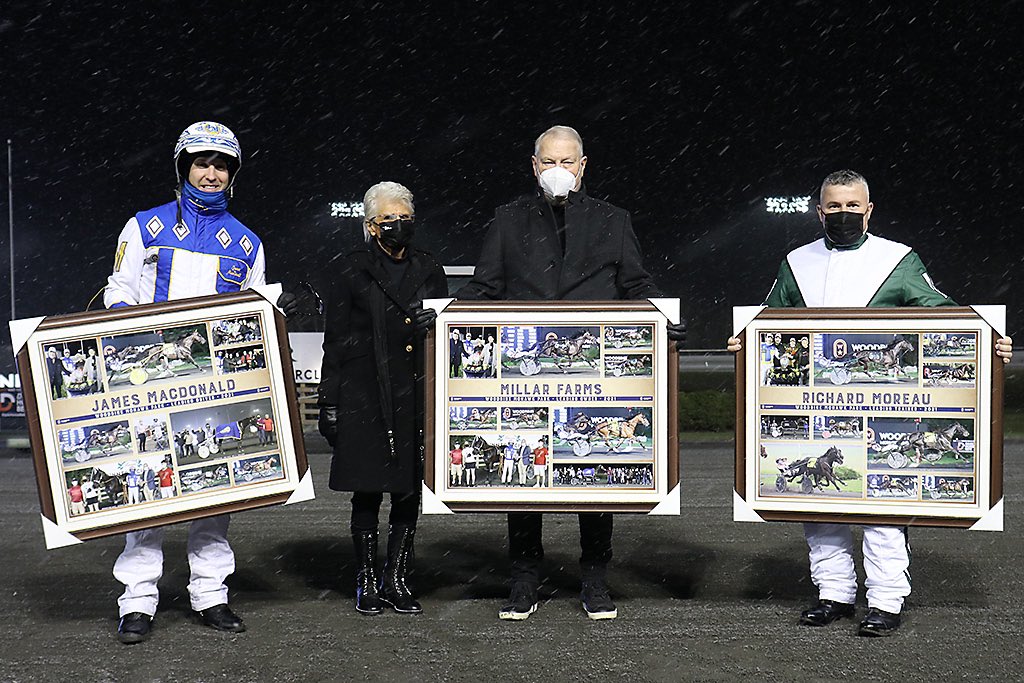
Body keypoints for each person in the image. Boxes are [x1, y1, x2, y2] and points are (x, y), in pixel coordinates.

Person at [727, 169, 1013, 637]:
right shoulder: (796, 260)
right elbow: (769, 320)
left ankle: (885, 600)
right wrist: (744, 341)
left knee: (883, 507)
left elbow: (942, 312)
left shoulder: (897, 258)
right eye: (834, 207)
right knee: (821, 507)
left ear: (869, 209)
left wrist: (989, 339)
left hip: (881, 406)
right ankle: (833, 594)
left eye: (852, 206)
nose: (843, 214)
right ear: (819, 211)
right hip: (814, 404)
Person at [456, 125, 687, 621]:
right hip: (523, 377)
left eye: (568, 161)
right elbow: (484, 288)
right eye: (548, 161)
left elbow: (636, 285)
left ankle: (595, 578)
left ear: (582, 167)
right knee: (524, 480)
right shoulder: (507, 219)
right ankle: (523, 580)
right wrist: (446, 317)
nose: (558, 170)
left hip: (595, 375)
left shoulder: (614, 220)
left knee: (594, 477)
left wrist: (664, 320)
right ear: (534, 166)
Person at [103, 121, 295, 644]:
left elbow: (253, 315)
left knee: (215, 492)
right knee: (147, 494)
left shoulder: (248, 241)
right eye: (201, 163)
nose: (210, 173)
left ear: (232, 175)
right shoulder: (144, 225)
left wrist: (275, 313)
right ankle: (137, 600)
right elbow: (118, 290)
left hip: (217, 391)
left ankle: (210, 594)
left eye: (221, 165)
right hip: (147, 385)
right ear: (183, 167)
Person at [317, 181, 446, 615]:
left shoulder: (429, 267)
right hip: (363, 393)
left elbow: (450, 336)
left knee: (408, 493)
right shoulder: (349, 268)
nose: (398, 226)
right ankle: (367, 580)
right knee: (367, 493)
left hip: (415, 392)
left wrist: (435, 324)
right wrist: (329, 403)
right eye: (389, 220)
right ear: (371, 225)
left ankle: (397, 578)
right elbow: (334, 341)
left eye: (405, 219)